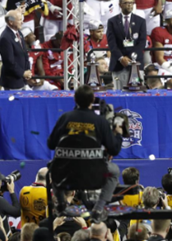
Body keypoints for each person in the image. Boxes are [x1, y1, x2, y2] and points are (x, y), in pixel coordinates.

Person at [47, 85, 123, 222]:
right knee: (114, 171)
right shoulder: (100, 122)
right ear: (92, 100)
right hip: (94, 176)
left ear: (75, 99)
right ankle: (99, 208)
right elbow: (114, 150)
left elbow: (51, 144)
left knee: (53, 166)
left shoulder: (65, 118)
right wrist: (118, 134)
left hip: (65, 175)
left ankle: (61, 204)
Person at [106, 0, 147, 89]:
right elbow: (112, 43)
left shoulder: (141, 21)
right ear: (120, 5)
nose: (129, 5)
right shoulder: (112, 21)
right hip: (118, 64)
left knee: (137, 94)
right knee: (119, 94)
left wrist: (130, 58)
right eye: (126, 3)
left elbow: (142, 43)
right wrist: (121, 58)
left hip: (136, 63)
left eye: (131, 3)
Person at [0, 10, 31, 91]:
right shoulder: (5, 37)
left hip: (22, 80)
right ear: (11, 22)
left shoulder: (19, 33)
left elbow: (24, 54)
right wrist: (22, 73)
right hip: (12, 82)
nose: (22, 22)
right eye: (20, 20)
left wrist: (27, 70)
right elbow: (9, 62)